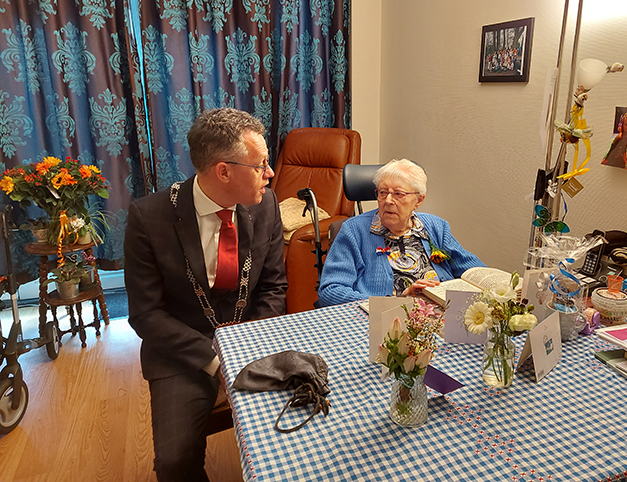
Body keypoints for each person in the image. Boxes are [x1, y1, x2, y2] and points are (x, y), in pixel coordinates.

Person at [125, 108, 287, 482]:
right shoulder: (149, 218)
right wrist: (216, 361)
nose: (270, 173)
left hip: (253, 342)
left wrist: (246, 349)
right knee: (174, 463)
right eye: (261, 164)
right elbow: (146, 315)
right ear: (223, 170)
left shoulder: (266, 206)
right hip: (183, 351)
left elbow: (274, 288)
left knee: (306, 432)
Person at [317, 159, 484, 307]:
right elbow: (330, 291)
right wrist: (394, 303)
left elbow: (474, 271)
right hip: (386, 323)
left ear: (419, 200)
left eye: (398, 194)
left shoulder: (436, 227)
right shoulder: (354, 231)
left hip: (443, 315)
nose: (388, 200)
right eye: (383, 192)